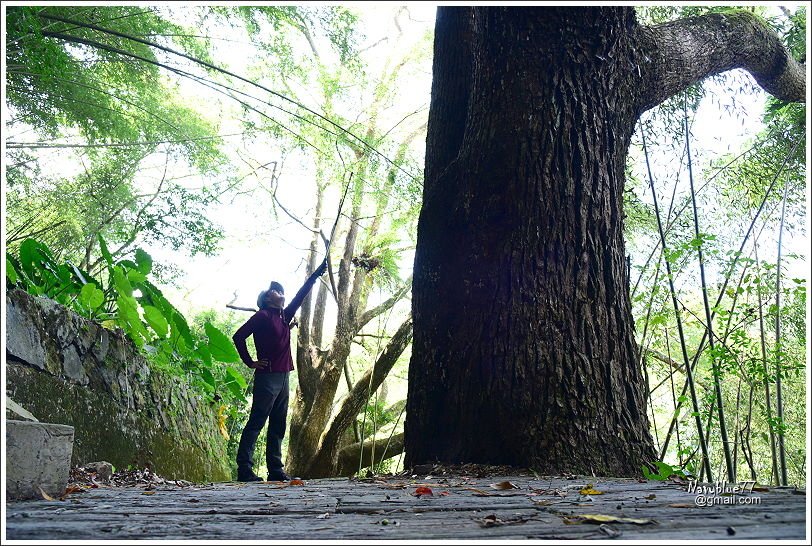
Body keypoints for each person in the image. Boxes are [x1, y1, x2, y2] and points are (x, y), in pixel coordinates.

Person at [232, 257, 327, 482]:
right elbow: (238, 337)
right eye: (274, 290)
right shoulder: (262, 316)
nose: (279, 291)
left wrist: (317, 274)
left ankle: (275, 470)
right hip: (267, 376)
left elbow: (301, 295)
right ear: (267, 298)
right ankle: (244, 469)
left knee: (278, 424)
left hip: (284, 377)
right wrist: (250, 362)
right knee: (257, 421)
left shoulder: (284, 317)